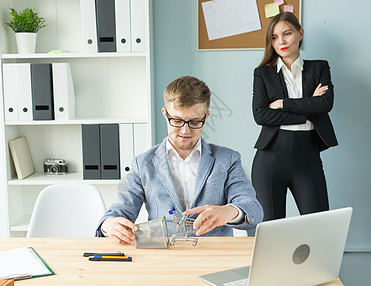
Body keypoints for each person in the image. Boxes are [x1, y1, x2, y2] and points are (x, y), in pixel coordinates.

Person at [97, 76, 263, 244]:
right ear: (165, 114)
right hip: (164, 258)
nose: (185, 131)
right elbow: (120, 210)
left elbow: (253, 208)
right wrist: (109, 224)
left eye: (194, 121)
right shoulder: (143, 164)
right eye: (177, 120)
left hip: (214, 255)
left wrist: (229, 211)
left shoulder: (227, 159)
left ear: (205, 117)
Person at [251, 12, 338, 221]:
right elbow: (261, 115)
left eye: (287, 33)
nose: (280, 41)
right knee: (271, 233)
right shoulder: (263, 73)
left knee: (318, 226)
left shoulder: (319, 67)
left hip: (307, 157)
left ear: (300, 33)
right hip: (269, 159)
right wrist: (307, 110)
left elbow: (325, 104)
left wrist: (283, 104)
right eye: (274, 37)